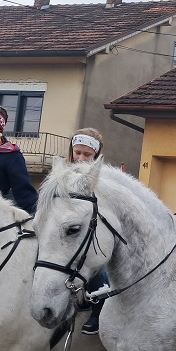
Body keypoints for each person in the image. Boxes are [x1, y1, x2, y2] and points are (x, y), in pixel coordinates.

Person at [64, 127, 107, 335]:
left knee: (95, 262)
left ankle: (98, 305)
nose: (80, 158)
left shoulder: (102, 178)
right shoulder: (62, 174)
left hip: (92, 231)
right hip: (64, 230)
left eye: (87, 154)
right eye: (77, 152)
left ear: (96, 155)